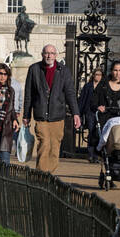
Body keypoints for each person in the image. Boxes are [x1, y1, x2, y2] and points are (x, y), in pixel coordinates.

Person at [23, 44, 81, 174]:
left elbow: (70, 93)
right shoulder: (34, 69)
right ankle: (41, 176)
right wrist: (26, 115)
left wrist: (76, 113)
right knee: (44, 144)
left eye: (52, 53)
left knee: (55, 147)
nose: (49, 56)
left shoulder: (64, 71)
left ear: (56, 55)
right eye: (46, 53)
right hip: (41, 115)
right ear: (42, 54)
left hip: (57, 115)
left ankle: (50, 174)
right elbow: (29, 94)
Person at [78, 67, 104, 162]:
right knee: (91, 132)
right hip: (89, 112)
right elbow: (82, 100)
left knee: (98, 133)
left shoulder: (103, 86)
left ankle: (96, 155)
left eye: (100, 75)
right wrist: (79, 113)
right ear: (93, 75)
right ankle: (90, 154)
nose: (98, 76)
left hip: (99, 113)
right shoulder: (88, 86)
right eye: (96, 74)